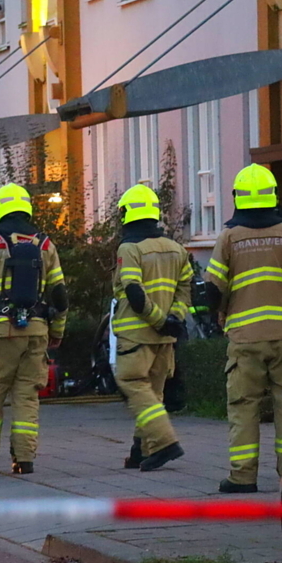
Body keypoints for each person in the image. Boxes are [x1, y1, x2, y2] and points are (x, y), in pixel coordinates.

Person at [204, 164, 282, 493]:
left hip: (244, 338)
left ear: (238, 198)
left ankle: (243, 476)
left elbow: (212, 290)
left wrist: (223, 310)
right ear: (272, 197)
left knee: (244, 406)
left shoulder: (229, 237)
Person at [0, 183, 67, 476]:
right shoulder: (46, 245)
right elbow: (59, 295)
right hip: (36, 332)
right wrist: (57, 330)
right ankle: (25, 460)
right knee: (26, 397)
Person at [112, 184, 192, 472]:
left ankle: (165, 442)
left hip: (136, 335)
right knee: (153, 393)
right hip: (165, 337)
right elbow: (185, 288)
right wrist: (174, 319)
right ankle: (140, 450)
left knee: (133, 384)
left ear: (127, 213)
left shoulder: (130, 248)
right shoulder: (176, 249)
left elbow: (133, 291)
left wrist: (157, 320)